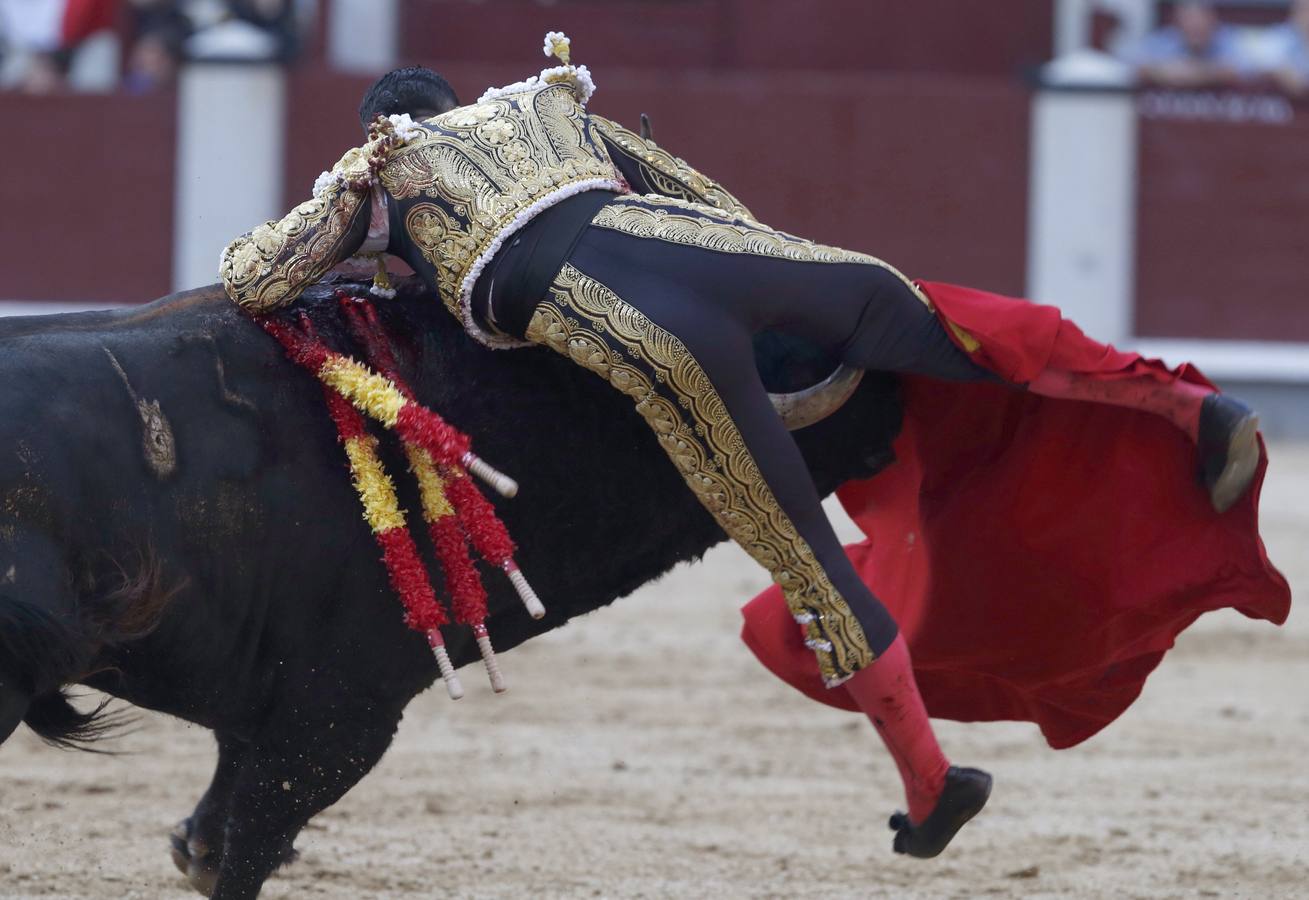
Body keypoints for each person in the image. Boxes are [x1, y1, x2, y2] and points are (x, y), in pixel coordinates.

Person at [220, 34, 1264, 859]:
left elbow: (255, 280)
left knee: (806, 562)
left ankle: (932, 789)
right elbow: (693, 192)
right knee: (958, 334)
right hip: (736, 263)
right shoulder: (539, 101)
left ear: (380, 124)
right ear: (453, 95)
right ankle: (1182, 412)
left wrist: (359, 215)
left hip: (654, 338)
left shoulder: (379, 170)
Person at [1126, 0, 1252, 88]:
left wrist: (1195, 73)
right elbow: (1133, 65)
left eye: (1200, 23)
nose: (1194, 27)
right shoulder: (1163, 40)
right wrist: (1161, 72)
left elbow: (1246, 68)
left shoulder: (1228, 39)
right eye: (1189, 21)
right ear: (1178, 22)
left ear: (1212, 21)